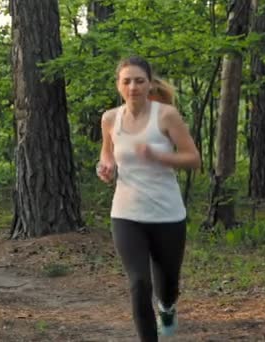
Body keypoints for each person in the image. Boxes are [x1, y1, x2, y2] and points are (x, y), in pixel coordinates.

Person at [97, 56, 201, 342]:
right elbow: (107, 153)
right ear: (119, 85)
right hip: (126, 214)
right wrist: (105, 167)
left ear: (149, 83)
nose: (133, 86)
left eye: (139, 80)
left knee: (167, 286)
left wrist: (160, 156)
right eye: (127, 81)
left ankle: (167, 308)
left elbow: (193, 159)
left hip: (167, 214)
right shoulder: (110, 119)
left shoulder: (166, 115)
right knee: (139, 282)